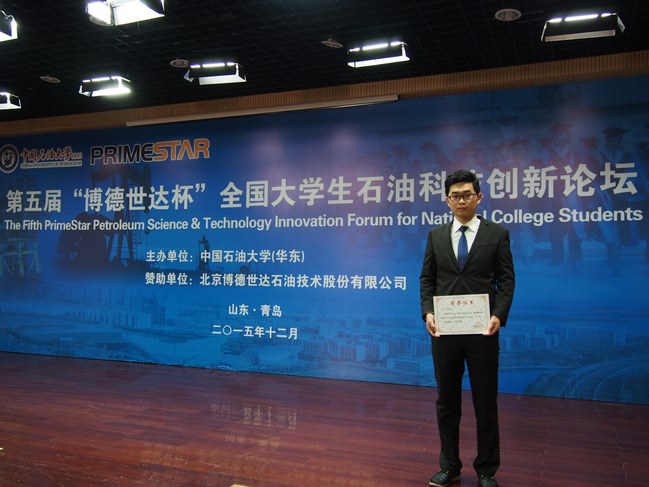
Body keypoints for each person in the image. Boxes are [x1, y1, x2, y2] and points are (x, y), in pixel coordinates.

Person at [419, 169, 515, 487]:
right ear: (447, 200)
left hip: (482, 331)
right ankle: (449, 465)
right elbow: (427, 279)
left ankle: (486, 469)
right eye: (455, 196)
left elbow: (506, 280)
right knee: (447, 403)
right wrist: (428, 312)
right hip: (444, 332)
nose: (461, 200)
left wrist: (498, 315)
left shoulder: (496, 234)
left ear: (479, 197)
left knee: (485, 402)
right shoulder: (436, 236)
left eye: (467, 195)